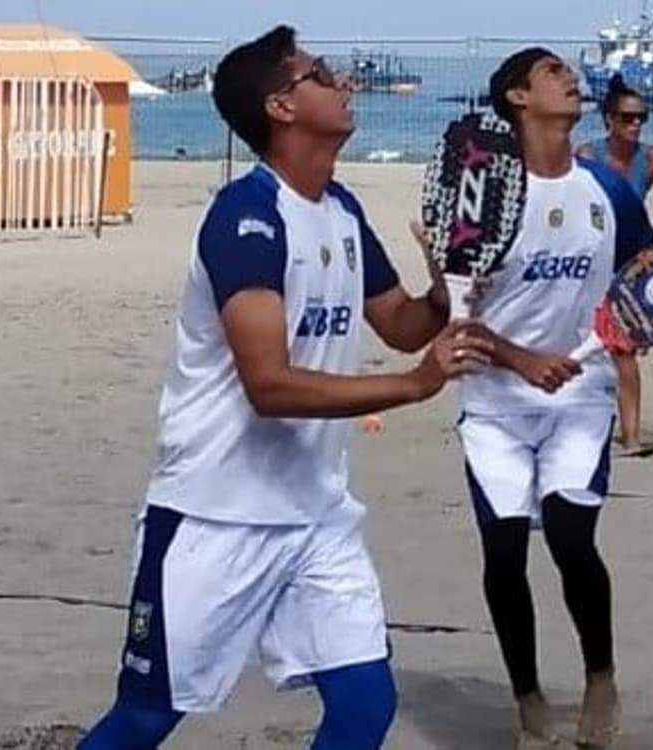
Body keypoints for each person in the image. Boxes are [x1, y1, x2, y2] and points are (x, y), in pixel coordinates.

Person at [78, 26, 491, 749]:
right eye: (321, 75)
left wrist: (449, 287)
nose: (344, 83)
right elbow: (268, 385)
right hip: (214, 516)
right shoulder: (246, 219)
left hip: (314, 513)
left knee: (366, 703)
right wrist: (414, 385)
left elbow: (398, 321)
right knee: (144, 719)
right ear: (281, 106)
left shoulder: (340, 210)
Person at [452, 48, 653, 748]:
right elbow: (457, 317)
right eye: (552, 72)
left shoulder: (607, 188)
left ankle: (600, 678)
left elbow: (644, 277)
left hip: (579, 393)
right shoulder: (480, 195)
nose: (571, 79)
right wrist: (517, 357)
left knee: (570, 537)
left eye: (572, 73)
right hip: (495, 401)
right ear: (516, 96)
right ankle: (529, 698)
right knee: (504, 553)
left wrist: (634, 329)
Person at [576, 74, 653, 451]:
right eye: (627, 117)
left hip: (629, 265)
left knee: (622, 352)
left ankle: (632, 436)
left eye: (641, 117)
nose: (635, 124)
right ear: (608, 120)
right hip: (587, 262)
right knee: (573, 345)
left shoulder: (652, 159)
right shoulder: (587, 157)